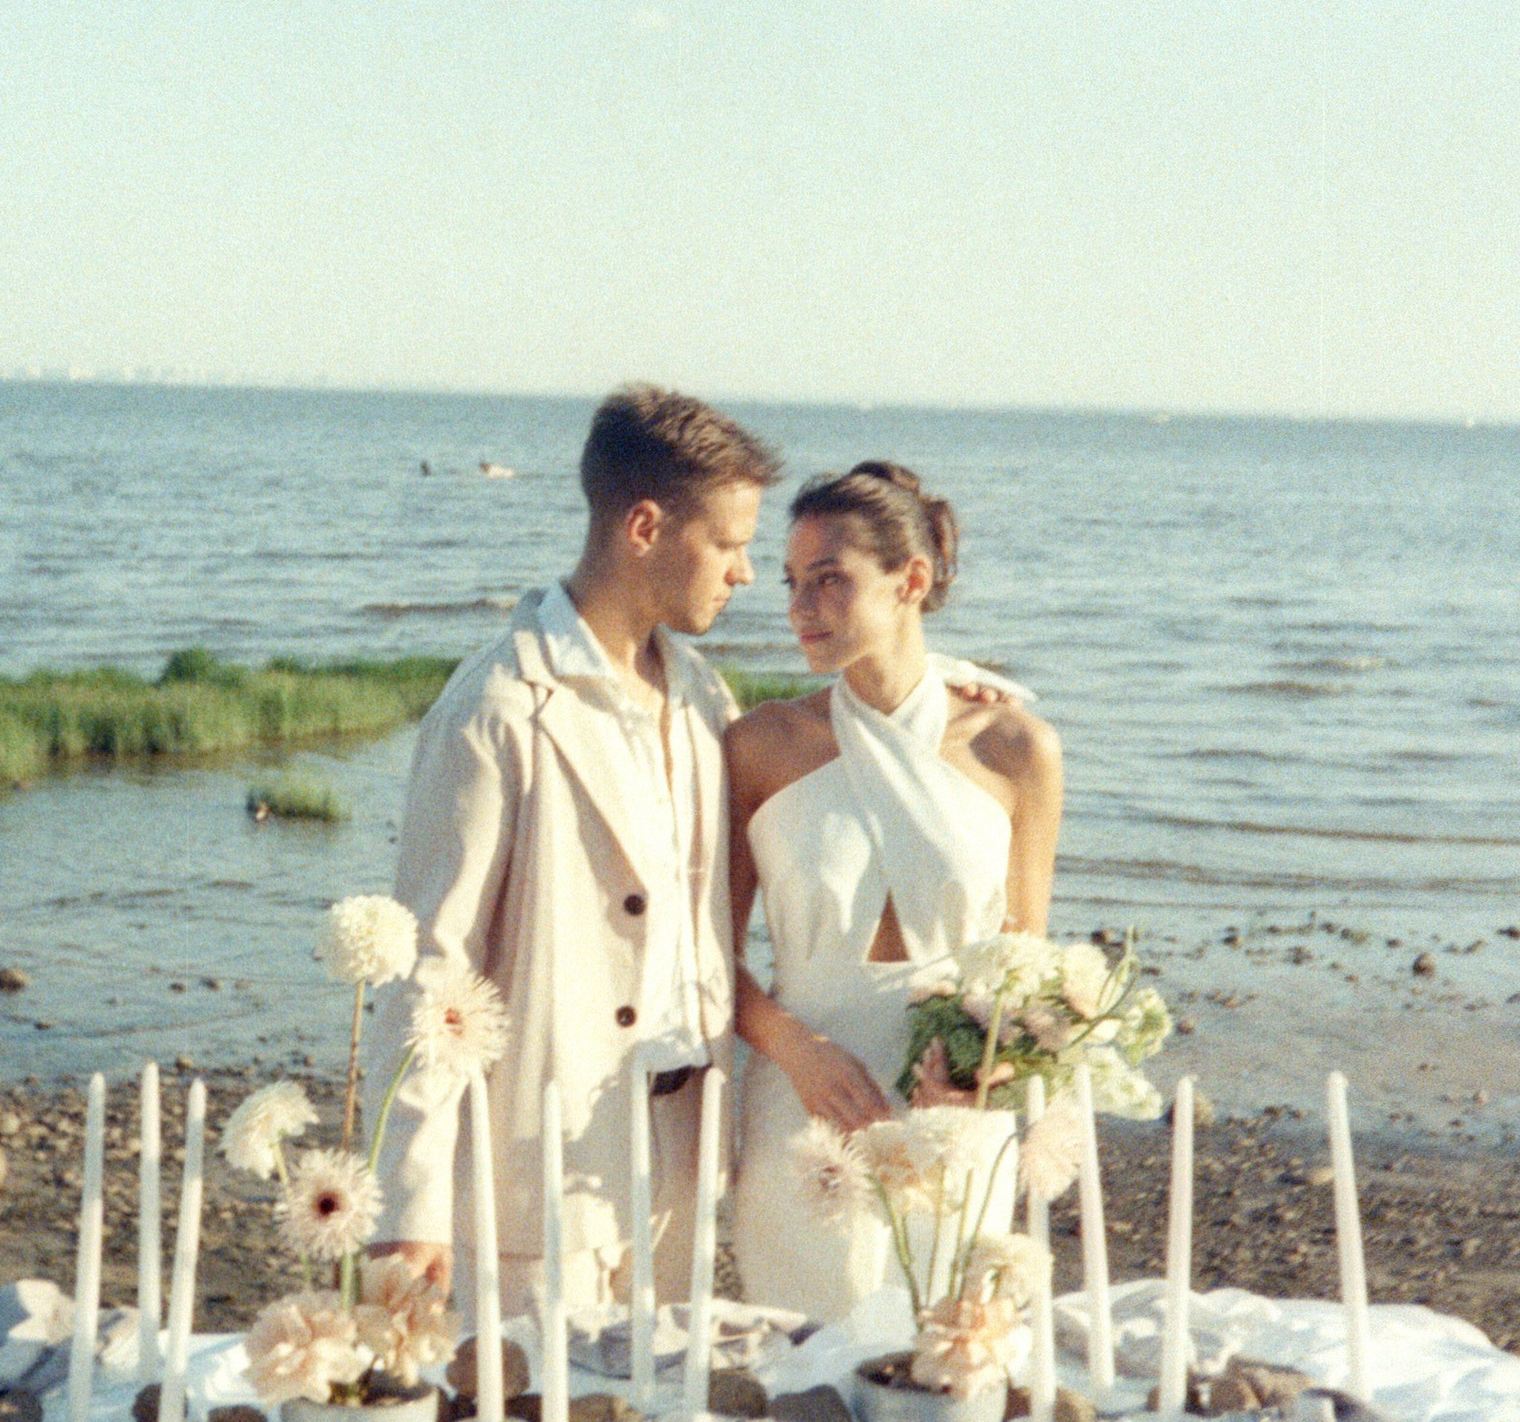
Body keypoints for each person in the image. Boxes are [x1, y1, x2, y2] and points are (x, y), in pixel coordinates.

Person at [375, 382, 783, 1308]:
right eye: (728, 543)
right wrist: (410, 1201)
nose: (746, 572)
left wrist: (949, 696)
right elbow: (434, 966)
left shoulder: (704, 696)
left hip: (678, 1166)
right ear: (644, 527)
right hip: (536, 1174)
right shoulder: (498, 708)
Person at [727, 460, 1062, 1320]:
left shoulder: (1014, 748)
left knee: (947, 1347)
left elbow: (1025, 963)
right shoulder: (761, 746)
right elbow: (706, 958)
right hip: (802, 1098)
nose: (800, 608)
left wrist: (983, 1073)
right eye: (793, 582)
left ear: (910, 580)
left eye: (829, 580)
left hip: (952, 1103)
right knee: (807, 1358)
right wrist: (799, 1051)